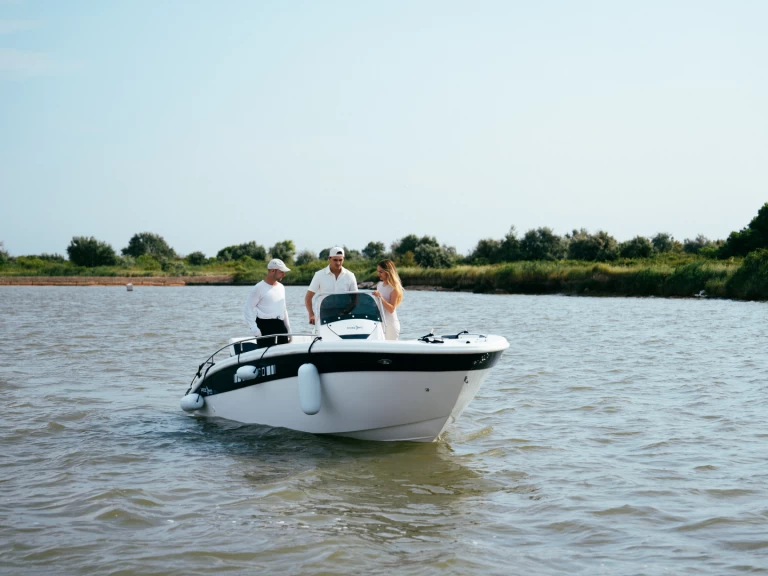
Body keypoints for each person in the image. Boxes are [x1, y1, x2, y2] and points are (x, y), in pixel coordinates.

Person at [243, 258, 292, 346]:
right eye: (281, 272)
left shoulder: (281, 287)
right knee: (266, 354)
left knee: (284, 352)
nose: (284, 274)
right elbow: (248, 309)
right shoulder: (258, 288)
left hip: (280, 325)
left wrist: (288, 328)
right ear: (273, 271)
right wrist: (254, 328)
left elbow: (283, 309)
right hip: (265, 326)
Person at [305, 246, 357, 325]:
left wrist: (345, 312)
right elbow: (308, 297)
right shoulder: (319, 275)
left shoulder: (350, 275)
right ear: (329, 259)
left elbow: (355, 299)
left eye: (340, 260)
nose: (338, 263)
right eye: (335, 260)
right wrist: (311, 314)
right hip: (324, 315)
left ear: (343, 259)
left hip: (345, 316)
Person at [372, 259, 403, 340]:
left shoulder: (394, 288)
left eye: (381, 272)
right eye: (378, 271)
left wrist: (380, 297)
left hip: (390, 324)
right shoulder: (379, 285)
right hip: (379, 322)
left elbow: (391, 309)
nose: (378, 274)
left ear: (388, 272)